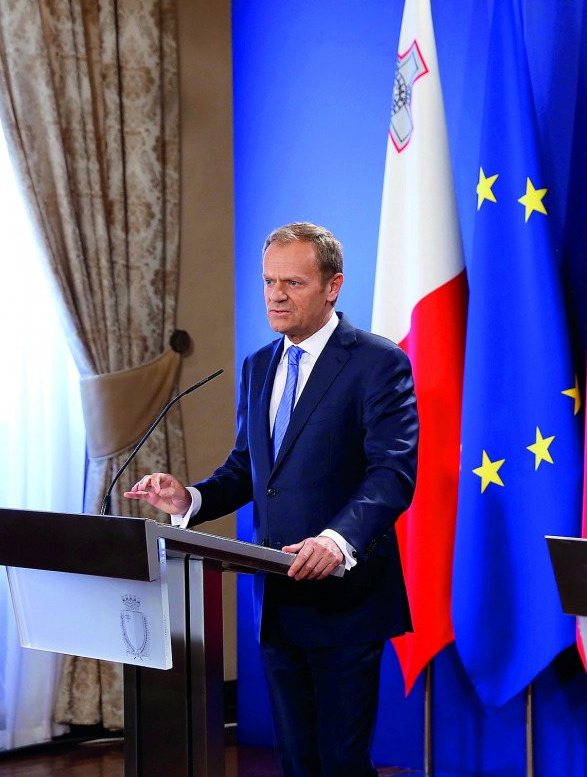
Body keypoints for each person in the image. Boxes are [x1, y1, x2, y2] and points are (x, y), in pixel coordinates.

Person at [126, 222, 418, 777]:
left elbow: (392, 472)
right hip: (279, 598)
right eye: (268, 282)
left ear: (333, 286)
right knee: (296, 762)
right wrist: (188, 496)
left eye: (293, 283)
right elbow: (249, 470)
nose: (275, 296)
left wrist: (337, 540)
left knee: (342, 764)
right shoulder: (259, 365)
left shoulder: (378, 362)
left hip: (345, 597)